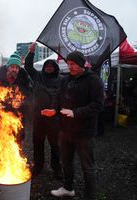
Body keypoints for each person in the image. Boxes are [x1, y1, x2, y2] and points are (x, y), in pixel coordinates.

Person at [50, 51, 104, 200]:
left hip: (84, 132)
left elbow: (98, 105)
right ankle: (68, 188)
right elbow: (57, 96)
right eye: (68, 64)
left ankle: (90, 196)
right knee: (66, 162)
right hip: (65, 130)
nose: (70, 67)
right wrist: (53, 109)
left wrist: (76, 112)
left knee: (87, 167)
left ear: (81, 64)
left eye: (72, 64)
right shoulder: (66, 79)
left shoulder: (94, 80)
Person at [24, 42, 63, 179]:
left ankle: (57, 168)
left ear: (55, 68)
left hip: (54, 119)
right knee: (38, 144)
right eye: (47, 66)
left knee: (55, 146)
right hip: (39, 118)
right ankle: (38, 166)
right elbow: (28, 67)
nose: (49, 68)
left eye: (51, 66)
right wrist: (31, 52)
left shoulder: (61, 80)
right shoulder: (38, 76)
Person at [0, 51, 32, 146]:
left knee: (16, 147)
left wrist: (22, 103)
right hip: (0, 119)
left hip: (17, 120)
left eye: (16, 68)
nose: (14, 69)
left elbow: (30, 98)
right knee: (0, 147)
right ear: (8, 68)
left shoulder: (24, 81)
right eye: (12, 67)